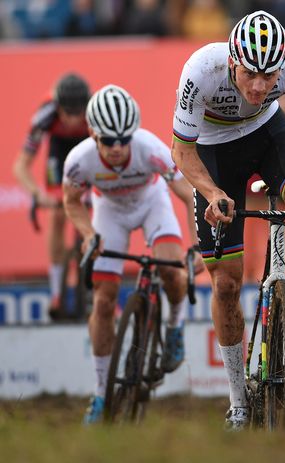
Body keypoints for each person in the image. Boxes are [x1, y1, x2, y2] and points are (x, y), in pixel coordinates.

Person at [170, 10, 285, 430]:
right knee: (226, 283)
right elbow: (181, 150)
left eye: (269, 77)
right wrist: (212, 193)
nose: (259, 86)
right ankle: (238, 399)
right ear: (232, 61)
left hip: (268, 134)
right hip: (213, 153)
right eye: (250, 75)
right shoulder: (201, 70)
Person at [62, 85, 203, 424]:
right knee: (103, 301)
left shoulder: (150, 148)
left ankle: (174, 327)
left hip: (151, 204)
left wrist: (199, 244)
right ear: (93, 134)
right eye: (109, 140)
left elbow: (188, 194)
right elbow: (71, 202)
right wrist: (88, 235)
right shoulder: (78, 161)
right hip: (109, 212)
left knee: (172, 272)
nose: (117, 147)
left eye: (124, 139)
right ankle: (101, 393)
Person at [13, 73, 91, 320]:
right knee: (57, 215)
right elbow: (21, 166)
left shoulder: (94, 113)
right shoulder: (45, 116)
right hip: (60, 151)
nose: (73, 119)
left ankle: (94, 286)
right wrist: (38, 195)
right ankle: (57, 291)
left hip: (88, 148)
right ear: (58, 107)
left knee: (95, 215)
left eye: (78, 113)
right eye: (67, 113)